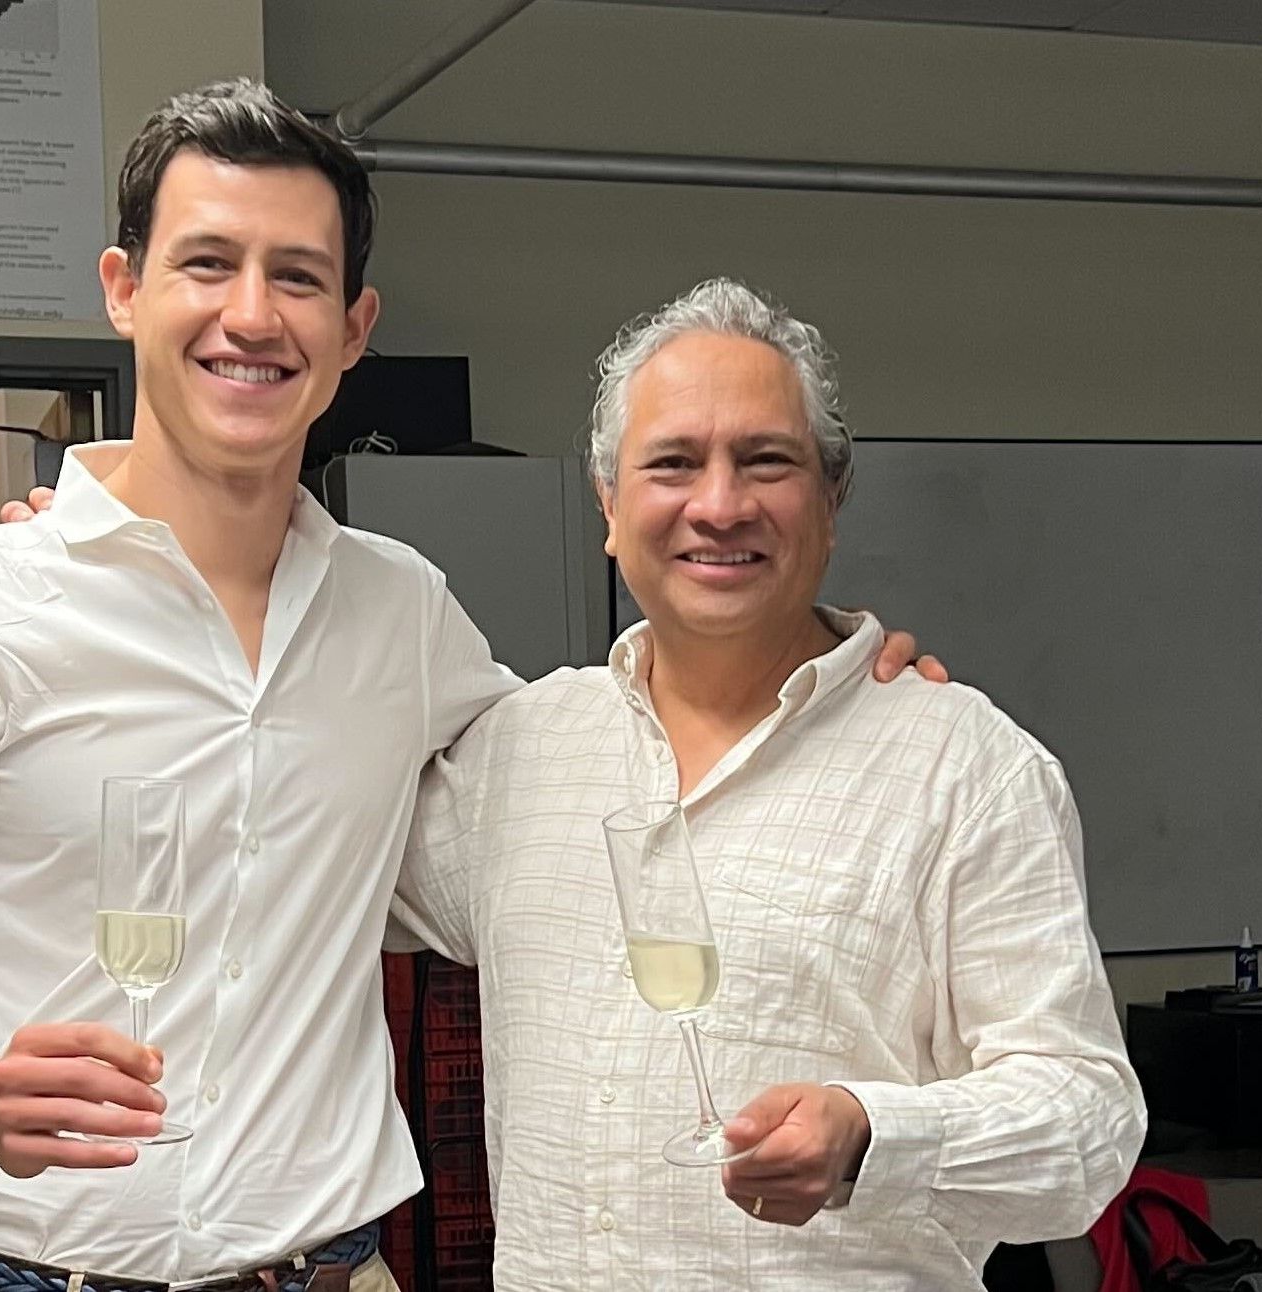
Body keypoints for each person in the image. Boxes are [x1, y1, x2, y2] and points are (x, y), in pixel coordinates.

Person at [0, 81, 932, 1291]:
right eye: (208, 262)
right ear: (124, 287)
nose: (252, 315)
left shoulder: (402, 612)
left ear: (355, 325)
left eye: (300, 277)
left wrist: (835, 682)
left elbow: (612, 763)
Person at [389, 277, 1147, 1289]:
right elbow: (298, 870)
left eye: (765, 460)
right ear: (609, 506)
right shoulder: (517, 753)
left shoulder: (965, 767)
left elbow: (1090, 1121)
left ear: (830, 501)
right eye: (672, 463)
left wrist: (875, 1133)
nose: (719, 503)